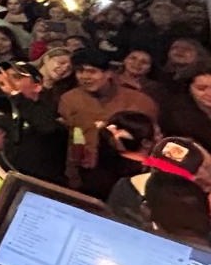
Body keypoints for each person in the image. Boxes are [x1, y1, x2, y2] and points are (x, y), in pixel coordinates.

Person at [58, 49, 158, 189]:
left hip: (128, 174)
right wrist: (72, 174)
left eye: (92, 71)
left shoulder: (140, 102)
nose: (85, 77)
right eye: (80, 71)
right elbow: (72, 138)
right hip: (88, 173)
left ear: (109, 73)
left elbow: (153, 141)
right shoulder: (69, 100)